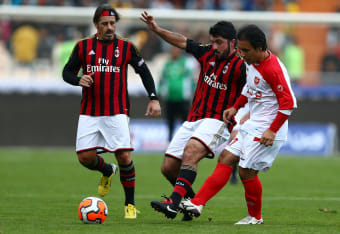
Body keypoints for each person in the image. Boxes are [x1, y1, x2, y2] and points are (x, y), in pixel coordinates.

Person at [182, 24, 297, 225]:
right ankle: (197, 203)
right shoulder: (251, 63)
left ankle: (255, 217)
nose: (241, 54)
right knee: (226, 157)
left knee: (246, 171)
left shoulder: (272, 69)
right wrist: (236, 107)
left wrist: (272, 130)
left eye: (246, 50)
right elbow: (249, 88)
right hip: (253, 124)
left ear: (260, 48)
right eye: (240, 49)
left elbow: (288, 103)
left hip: (267, 128)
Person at [140, 11, 247, 220]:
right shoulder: (207, 52)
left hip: (218, 121)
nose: (214, 47)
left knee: (190, 152)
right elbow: (182, 41)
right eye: (212, 42)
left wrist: (240, 125)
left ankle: (172, 203)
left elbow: (252, 95)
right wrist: (156, 29)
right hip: (194, 118)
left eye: (219, 43)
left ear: (233, 43)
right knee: (169, 167)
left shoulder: (242, 66)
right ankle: (190, 204)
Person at [62, 4, 161, 219]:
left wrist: (153, 98)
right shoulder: (83, 46)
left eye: (113, 24)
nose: (109, 27)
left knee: (123, 155)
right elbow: (66, 72)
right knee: (85, 158)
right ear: (96, 25)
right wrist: (79, 79)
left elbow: (144, 72)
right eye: (105, 24)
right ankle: (107, 170)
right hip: (89, 111)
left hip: (117, 110)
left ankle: (130, 205)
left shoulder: (126, 47)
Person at [158, 46, 195, 141]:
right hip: (170, 98)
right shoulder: (167, 64)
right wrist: (158, 91)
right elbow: (162, 79)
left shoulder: (186, 63)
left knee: (185, 122)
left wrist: (194, 91)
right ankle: (169, 141)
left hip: (183, 98)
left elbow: (192, 79)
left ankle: (186, 140)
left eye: (176, 50)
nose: (174, 52)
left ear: (179, 51)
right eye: (172, 50)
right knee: (170, 121)